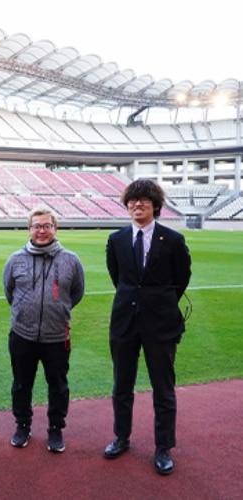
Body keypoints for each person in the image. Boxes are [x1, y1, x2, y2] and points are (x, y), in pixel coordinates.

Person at [103, 179, 191, 475]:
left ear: (156, 205)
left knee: (163, 389)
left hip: (161, 325)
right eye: (132, 200)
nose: (137, 205)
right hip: (125, 323)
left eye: (143, 200)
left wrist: (159, 302)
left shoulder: (173, 240)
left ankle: (163, 446)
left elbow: (181, 278)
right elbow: (120, 279)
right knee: (121, 386)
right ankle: (121, 437)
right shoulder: (116, 240)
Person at [3, 206, 85, 453]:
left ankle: (56, 428)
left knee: (58, 385)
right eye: (36, 226)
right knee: (21, 384)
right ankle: (22, 425)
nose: (41, 231)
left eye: (46, 225)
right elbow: (10, 291)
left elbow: (76, 293)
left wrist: (58, 311)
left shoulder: (71, 260)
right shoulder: (15, 259)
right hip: (22, 334)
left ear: (55, 229)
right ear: (29, 229)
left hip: (56, 336)